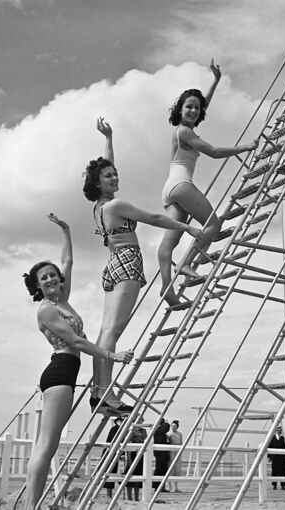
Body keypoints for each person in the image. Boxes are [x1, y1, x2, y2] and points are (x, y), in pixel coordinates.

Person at [83, 118, 202, 413]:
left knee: (104, 331)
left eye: (115, 174)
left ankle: (99, 391)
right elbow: (156, 219)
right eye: (108, 177)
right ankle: (106, 394)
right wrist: (187, 228)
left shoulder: (100, 206)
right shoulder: (115, 205)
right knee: (113, 331)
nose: (114, 177)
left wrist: (108, 138)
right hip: (126, 263)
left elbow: (104, 166)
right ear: (98, 183)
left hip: (112, 265)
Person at [22, 213, 134, 510]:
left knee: (49, 445)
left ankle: (34, 503)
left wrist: (66, 230)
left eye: (52, 274)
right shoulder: (47, 310)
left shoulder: (63, 300)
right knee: (46, 446)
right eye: (43, 277)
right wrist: (112, 355)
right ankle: (32, 505)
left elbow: (68, 262)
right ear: (38, 286)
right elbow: (77, 342)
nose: (50, 278)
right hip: (59, 372)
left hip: (66, 373)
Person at [157, 59, 259, 306]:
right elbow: (213, 151)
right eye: (188, 107)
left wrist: (215, 81)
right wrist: (244, 147)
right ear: (179, 109)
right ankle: (187, 263)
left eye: (196, 108)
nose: (193, 110)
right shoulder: (185, 132)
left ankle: (167, 290)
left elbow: (203, 105)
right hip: (181, 184)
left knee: (170, 241)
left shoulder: (184, 128)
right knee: (213, 224)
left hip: (170, 188)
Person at [125, 416, 147, 502]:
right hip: (133, 453)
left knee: (139, 476)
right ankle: (130, 497)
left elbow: (146, 441)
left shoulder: (144, 431)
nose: (139, 421)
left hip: (141, 454)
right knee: (130, 476)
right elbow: (129, 445)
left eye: (140, 420)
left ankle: (137, 497)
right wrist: (129, 459)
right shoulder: (131, 430)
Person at [104, 417, 123, 498]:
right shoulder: (115, 429)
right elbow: (113, 440)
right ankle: (108, 494)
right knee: (109, 472)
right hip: (110, 453)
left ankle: (109, 494)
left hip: (115, 453)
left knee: (112, 472)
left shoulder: (120, 429)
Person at [152, 418, 171, 491]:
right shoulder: (158, 429)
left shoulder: (161, 431)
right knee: (159, 469)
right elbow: (165, 429)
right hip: (160, 453)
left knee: (163, 469)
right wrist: (167, 423)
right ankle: (157, 486)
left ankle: (161, 486)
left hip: (164, 452)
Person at [268, 425, 285, 490]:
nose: (279, 432)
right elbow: (269, 447)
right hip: (274, 458)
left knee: (282, 471)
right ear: (275, 431)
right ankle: (274, 485)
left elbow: (284, 447)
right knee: (274, 471)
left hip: (281, 458)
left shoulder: (282, 438)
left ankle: (283, 485)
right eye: (278, 431)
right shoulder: (272, 438)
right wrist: (269, 457)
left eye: (280, 431)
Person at [167, 419, 183, 492]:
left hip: (177, 452)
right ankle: (170, 487)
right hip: (171, 452)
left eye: (175, 426)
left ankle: (176, 487)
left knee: (177, 469)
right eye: (172, 426)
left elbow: (181, 443)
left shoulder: (180, 434)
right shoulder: (169, 434)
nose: (173, 427)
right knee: (171, 469)